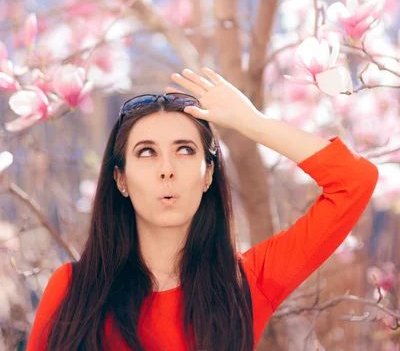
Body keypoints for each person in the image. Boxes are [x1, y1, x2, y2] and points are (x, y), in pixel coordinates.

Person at [26, 67, 379, 351]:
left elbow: (354, 181)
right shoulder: (73, 288)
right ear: (120, 179)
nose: (168, 169)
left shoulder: (247, 283)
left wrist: (250, 122)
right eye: (147, 152)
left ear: (208, 173)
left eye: (184, 150)